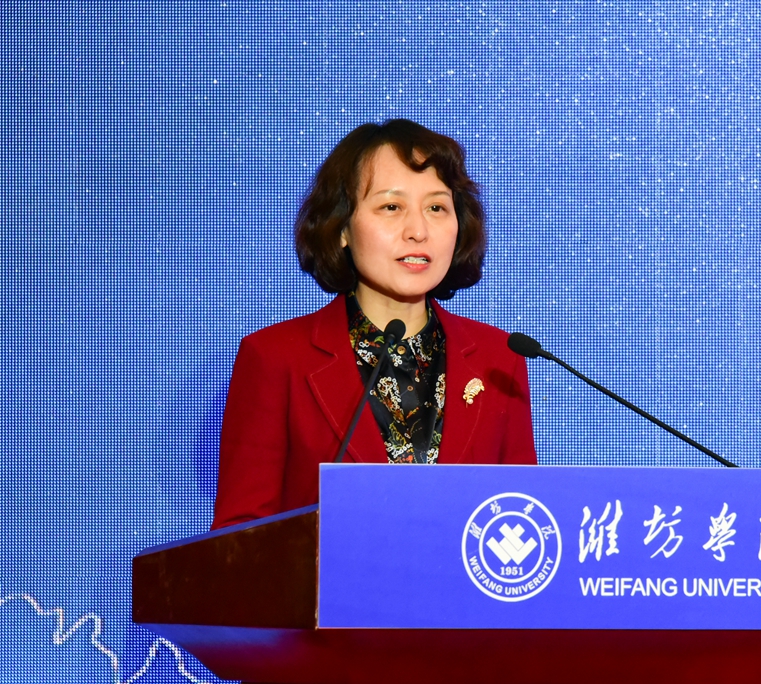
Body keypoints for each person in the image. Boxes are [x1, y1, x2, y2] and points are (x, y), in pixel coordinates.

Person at [211, 119, 537, 530]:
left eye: (437, 208)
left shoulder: (498, 359)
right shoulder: (276, 358)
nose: (418, 231)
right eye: (391, 207)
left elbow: (525, 511)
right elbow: (240, 536)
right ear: (342, 227)